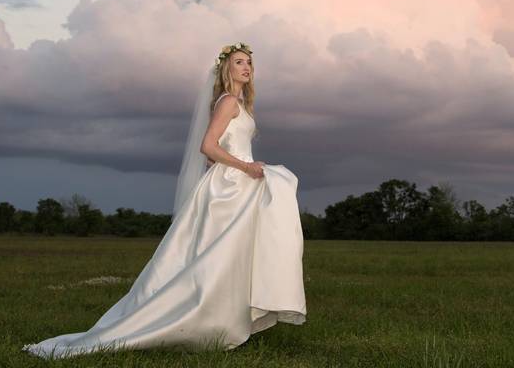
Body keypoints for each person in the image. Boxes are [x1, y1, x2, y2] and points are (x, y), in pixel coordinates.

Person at [22, 42, 307, 358]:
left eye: (249, 64)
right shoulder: (228, 103)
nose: (246, 68)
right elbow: (208, 147)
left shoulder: (240, 104)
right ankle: (199, 319)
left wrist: (239, 166)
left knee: (233, 256)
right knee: (216, 257)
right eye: (239, 62)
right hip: (231, 186)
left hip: (235, 182)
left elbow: (217, 153)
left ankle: (222, 319)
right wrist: (245, 167)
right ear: (227, 68)